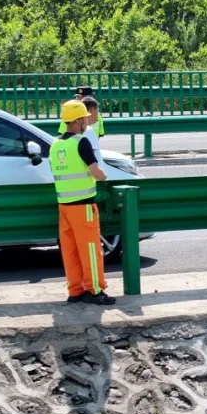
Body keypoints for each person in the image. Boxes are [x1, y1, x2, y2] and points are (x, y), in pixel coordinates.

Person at [52, 100, 115, 306]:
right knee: (90, 249)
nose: (87, 123)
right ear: (78, 121)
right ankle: (95, 290)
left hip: (64, 206)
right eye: (85, 119)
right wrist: (104, 175)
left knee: (69, 250)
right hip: (83, 206)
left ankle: (75, 290)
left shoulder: (56, 144)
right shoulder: (81, 142)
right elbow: (96, 172)